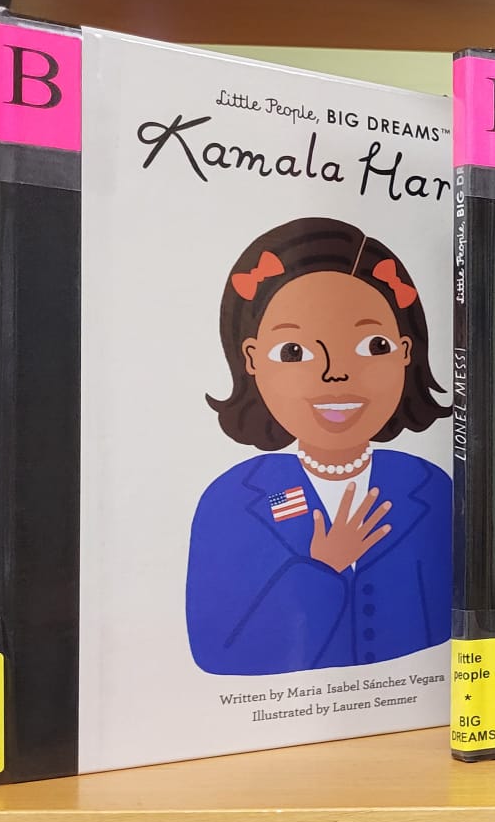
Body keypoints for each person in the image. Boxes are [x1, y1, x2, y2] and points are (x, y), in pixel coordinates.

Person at [188, 218, 452, 675]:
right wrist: (324, 568)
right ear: (252, 359)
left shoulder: (427, 485)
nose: (336, 373)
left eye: (374, 345)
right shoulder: (232, 500)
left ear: (406, 352)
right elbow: (217, 651)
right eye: (294, 352)